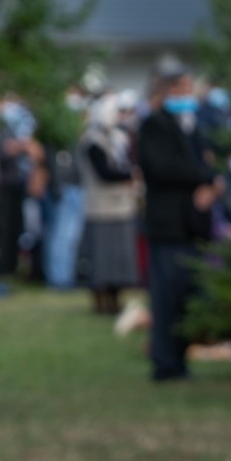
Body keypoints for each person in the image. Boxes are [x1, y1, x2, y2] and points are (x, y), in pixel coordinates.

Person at [138, 66, 222, 382]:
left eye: (189, 89)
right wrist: (203, 179)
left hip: (190, 226)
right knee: (166, 297)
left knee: (187, 296)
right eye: (181, 90)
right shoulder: (154, 125)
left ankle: (181, 359)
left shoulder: (192, 126)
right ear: (166, 91)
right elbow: (162, 169)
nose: (187, 96)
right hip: (167, 225)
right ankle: (164, 362)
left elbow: (206, 163)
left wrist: (209, 182)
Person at [77, 94, 140, 314]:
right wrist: (130, 175)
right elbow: (104, 172)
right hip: (101, 208)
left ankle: (116, 298)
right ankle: (100, 300)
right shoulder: (91, 140)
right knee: (102, 258)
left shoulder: (120, 138)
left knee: (120, 258)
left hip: (122, 207)